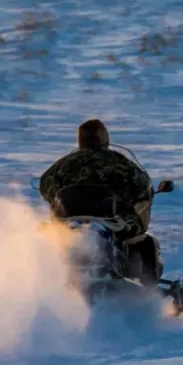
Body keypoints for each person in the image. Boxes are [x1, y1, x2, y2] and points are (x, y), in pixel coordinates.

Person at [39, 119, 161, 281]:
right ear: (105, 139)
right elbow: (142, 185)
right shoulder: (119, 162)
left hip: (67, 221)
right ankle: (148, 284)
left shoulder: (64, 164)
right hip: (110, 219)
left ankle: (37, 274)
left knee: (43, 234)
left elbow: (45, 186)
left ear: (80, 140)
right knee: (142, 240)